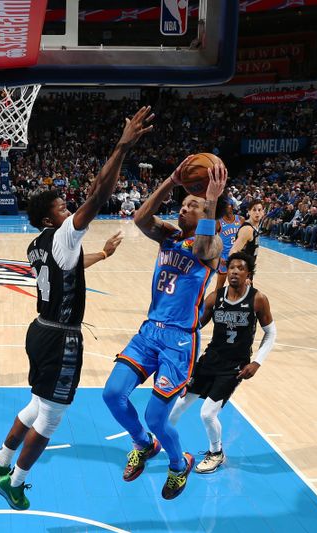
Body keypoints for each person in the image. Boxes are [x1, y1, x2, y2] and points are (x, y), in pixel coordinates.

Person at [0, 106, 155, 511]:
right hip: (60, 338)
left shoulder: (38, 245)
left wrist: (103, 255)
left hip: (39, 330)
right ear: (50, 218)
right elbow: (97, 194)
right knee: (53, 415)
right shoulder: (62, 235)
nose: (69, 210)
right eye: (62, 207)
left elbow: (67, 267)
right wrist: (122, 147)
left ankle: (0, 460)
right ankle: (16, 482)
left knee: (36, 404)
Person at [102, 157, 227, 501]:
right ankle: (144, 444)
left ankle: (178, 462)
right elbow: (140, 218)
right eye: (183, 204)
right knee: (112, 395)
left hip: (178, 341)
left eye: (192, 206)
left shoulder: (212, 246)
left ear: (206, 215)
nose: (184, 209)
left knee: (156, 417)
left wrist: (212, 201)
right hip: (148, 333)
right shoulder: (168, 236)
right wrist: (171, 180)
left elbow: (203, 247)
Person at [168, 252, 275, 473]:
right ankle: (162, 440)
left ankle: (216, 453)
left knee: (207, 413)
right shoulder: (215, 297)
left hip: (234, 367)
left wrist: (257, 362)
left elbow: (270, 333)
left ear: (248, 274)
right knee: (177, 405)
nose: (235, 271)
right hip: (209, 361)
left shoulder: (258, 299)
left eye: (240, 268)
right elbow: (194, 327)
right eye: (231, 267)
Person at [215, 202, 243, 289]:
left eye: (227, 205)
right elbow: (212, 240)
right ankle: (215, 302)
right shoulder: (219, 222)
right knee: (220, 286)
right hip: (224, 257)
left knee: (238, 285)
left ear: (232, 207)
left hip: (237, 256)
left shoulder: (241, 219)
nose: (225, 207)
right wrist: (218, 257)